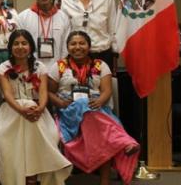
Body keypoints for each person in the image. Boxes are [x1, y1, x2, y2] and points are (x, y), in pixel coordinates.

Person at [48, 31, 139, 185]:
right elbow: (49, 91)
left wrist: (100, 101)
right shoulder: (59, 66)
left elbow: (107, 90)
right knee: (88, 111)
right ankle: (123, 141)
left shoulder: (100, 65)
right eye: (73, 44)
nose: (78, 47)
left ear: (89, 46)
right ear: (67, 47)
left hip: (97, 108)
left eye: (82, 43)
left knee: (92, 117)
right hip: (69, 111)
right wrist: (60, 103)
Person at [0, 29, 71, 185]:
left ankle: (34, 175)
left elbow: (43, 92)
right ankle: (23, 176)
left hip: (37, 110)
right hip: (11, 110)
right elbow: (7, 94)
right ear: (10, 47)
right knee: (3, 138)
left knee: (45, 131)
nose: (20, 47)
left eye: (24, 43)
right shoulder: (3, 67)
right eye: (16, 44)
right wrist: (20, 109)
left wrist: (41, 108)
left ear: (30, 47)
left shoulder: (40, 66)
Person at [61, 0, 117, 71]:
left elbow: (113, 29)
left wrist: (115, 54)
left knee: (104, 88)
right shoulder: (66, 1)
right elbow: (66, 31)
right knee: (78, 89)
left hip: (102, 55)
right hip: (76, 56)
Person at [18, 0, 70, 68]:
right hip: (32, 70)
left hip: (57, 70)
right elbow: (20, 46)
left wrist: (59, 69)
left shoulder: (64, 17)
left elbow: (65, 48)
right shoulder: (23, 17)